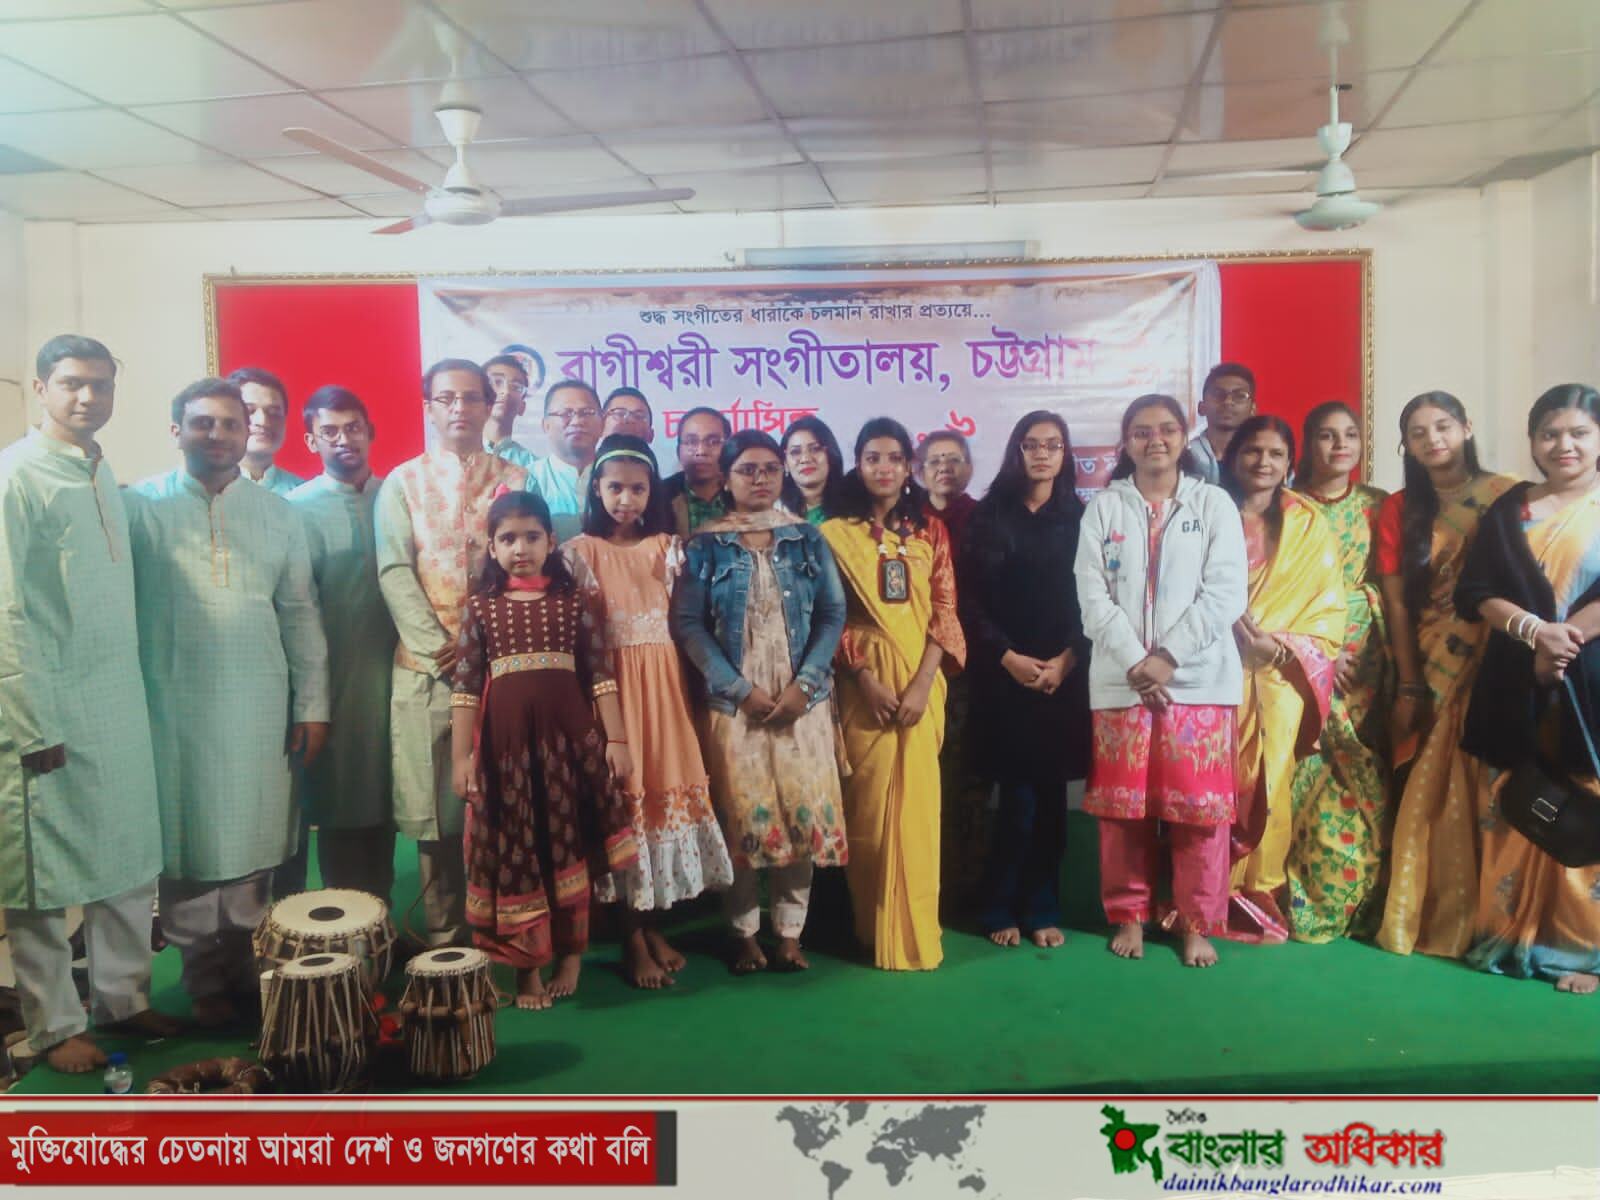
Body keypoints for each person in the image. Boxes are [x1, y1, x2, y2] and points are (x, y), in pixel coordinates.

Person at [0, 335, 179, 1074]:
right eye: (72, 383)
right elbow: (7, 610)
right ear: (41, 388)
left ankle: (123, 999)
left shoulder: (102, 472)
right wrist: (29, 719)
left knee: (129, 855)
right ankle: (52, 1025)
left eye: (101, 385)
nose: (87, 397)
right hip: (46, 708)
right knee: (44, 876)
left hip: (116, 700)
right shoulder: (16, 476)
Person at [127, 377, 329, 1026]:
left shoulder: (280, 514)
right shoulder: (140, 509)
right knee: (186, 846)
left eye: (229, 424)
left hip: (258, 706)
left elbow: (300, 614)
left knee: (253, 843)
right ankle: (202, 982)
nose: (217, 435)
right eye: (202, 423)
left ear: (247, 433)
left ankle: (250, 972)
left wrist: (312, 705)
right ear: (176, 431)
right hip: (170, 708)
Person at [1075, 394, 1247, 968]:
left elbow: (1226, 592)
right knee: (1122, 813)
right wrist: (1136, 661)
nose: (1156, 440)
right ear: (1126, 443)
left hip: (1198, 682)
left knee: (1200, 815)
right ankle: (1129, 916)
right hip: (1122, 683)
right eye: (1142, 431)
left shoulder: (1214, 504)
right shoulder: (1103, 508)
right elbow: (1092, 595)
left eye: (1167, 429)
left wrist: (1168, 657)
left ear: (1182, 436)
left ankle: (1198, 923)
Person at [450, 491, 638, 1009]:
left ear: (551, 542)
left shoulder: (574, 603)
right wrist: (461, 759)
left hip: (569, 749)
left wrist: (617, 740)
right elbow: (465, 688)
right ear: (491, 547)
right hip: (505, 754)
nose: (521, 548)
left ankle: (571, 955)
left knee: (568, 843)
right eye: (508, 539)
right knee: (518, 851)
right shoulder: (481, 608)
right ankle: (526, 969)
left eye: (532, 537)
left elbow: (600, 677)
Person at [672, 430, 848, 973]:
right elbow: (688, 624)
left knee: (801, 817)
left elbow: (832, 614)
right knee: (744, 819)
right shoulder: (705, 544)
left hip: (802, 703)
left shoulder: (807, 538)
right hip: (736, 705)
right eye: (747, 470)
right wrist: (739, 689)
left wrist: (806, 685)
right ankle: (744, 933)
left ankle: (790, 934)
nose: (761, 479)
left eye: (771, 468)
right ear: (726, 478)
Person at [565, 435, 733, 989]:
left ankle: (655, 925)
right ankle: (632, 938)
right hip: (614, 700)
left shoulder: (668, 548)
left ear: (651, 492)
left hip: (665, 695)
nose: (626, 499)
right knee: (626, 809)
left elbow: (687, 623)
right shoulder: (579, 553)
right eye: (615, 487)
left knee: (661, 802)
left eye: (637, 489)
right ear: (597, 488)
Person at [377, 359, 528, 948]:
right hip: (428, 670)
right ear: (429, 408)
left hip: (500, 669)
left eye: (471, 398)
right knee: (437, 812)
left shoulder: (515, 478)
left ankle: (505, 928)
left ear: (489, 406)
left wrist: (482, 646)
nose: (460, 408)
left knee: (504, 801)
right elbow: (394, 569)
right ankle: (445, 941)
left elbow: (527, 564)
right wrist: (440, 646)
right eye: (447, 398)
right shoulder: (403, 481)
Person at [1456, 384, 1600, 995]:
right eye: (1550, 434)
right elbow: (1476, 591)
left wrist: (1566, 639)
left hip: (1590, 683)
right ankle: (1509, 934)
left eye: (1579, 433)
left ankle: (1582, 953)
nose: (1564, 445)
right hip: (1514, 678)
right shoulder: (1510, 508)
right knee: (1516, 797)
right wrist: (1535, 633)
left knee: (1587, 805)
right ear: (1533, 442)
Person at [1374, 392, 1516, 959]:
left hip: (1498, 655)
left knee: (1490, 781)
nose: (1432, 439)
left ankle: (1494, 915)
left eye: (1443, 426)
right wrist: (1410, 681)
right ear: (1406, 446)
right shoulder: (1399, 508)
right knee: (1429, 783)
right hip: (1429, 658)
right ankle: (1428, 912)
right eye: (1418, 432)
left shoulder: (1507, 496)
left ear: (1466, 427)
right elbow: (1396, 603)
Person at [822, 418, 966, 971]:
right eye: (872, 458)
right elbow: (827, 614)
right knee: (868, 812)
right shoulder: (835, 533)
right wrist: (863, 677)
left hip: (919, 683)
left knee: (919, 813)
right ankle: (870, 928)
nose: (883, 468)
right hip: (863, 684)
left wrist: (925, 681)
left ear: (910, 467)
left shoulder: (931, 531)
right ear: (857, 465)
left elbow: (945, 611)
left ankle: (916, 930)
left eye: (894, 458)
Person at [958, 411, 1091, 949]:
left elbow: (1097, 600)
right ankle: (998, 907)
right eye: (1031, 445)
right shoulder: (988, 517)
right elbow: (967, 601)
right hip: (1004, 678)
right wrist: (1006, 657)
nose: (1041, 454)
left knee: (1051, 803)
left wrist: (1068, 660)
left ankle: (1042, 909)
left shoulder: (1083, 519)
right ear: (1017, 451)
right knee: (1014, 803)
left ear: (1065, 454)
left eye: (1052, 445)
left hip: (1062, 679)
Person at [1218, 416, 1342, 942]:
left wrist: (1279, 647)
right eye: (1252, 451)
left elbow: (1327, 608)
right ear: (1233, 457)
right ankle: (1202, 890)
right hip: (1211, 669)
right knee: (1211, 779)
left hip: (1277, 674)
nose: (1263, 462)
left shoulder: (1308, 524)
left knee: (1271, 782)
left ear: (1290, 462)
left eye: (1275, 453)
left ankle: (1259, 890)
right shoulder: (1205, 511)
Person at [1285, 402, 1394, 942]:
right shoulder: (1287, 505)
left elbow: (1393, 584)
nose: (1340, 445)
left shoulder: (1379, 505)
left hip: (1369, 655)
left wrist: (1360, 641)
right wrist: (1322, 652)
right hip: (1303, 655)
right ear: (1308, 443)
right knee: (1308, 768)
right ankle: (1303, 893)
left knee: (1365, 764)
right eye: (1327, 435)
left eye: (1349, 434)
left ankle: (1367, 901)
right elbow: (1276, 592)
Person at [285, 386, 398, 904]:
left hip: (398, 675)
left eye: (353, 427)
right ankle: (351, 929)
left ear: (370, 433)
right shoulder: (294, 510)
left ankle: (382, 926)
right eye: (329, 431)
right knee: (343, 805)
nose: (343, 439)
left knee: (392, 799)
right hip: (335, 681)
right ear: (312, 441)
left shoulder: (397, 497)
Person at [529, 378, 603, 543]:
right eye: (565, 413)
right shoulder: (528, 479)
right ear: (546, 425)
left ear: (602, 424)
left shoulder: (619, 476)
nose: (577, 421)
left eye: (587, 413)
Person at [226, 366, 305, 495]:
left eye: (273, 413)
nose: (263, 421)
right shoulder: (203, 492)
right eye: (249, 411)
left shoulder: (303, 494)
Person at [665, 407, 731, 537]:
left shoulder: (742, 493)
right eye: (691, 442)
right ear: (678, 451)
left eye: (713, 442)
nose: (701, 451)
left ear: (729, 448)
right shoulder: (659, 496)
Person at [1188, 363, 1257, 486]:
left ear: (1253, 409)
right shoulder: (1185, 456)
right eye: (1217, 394)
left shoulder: (1264, 457)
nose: (1228, 402)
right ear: (1201, 407)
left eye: (1240, 396)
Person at [917, 430, 978, 552]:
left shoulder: (986, 517)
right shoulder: (908, 518)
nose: (944, 468)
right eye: (934, 462)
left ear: (969, 469)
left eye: (954, 460)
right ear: (921, 474)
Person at [780, 415, 845, 525]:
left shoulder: (853, 511)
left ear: (830, 455)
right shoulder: (774, 512)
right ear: (785, 463)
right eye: (795, 452)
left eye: (815, 449)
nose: (805, 459)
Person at [483, 354, 538, 473]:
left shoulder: (533, 467)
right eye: (497, 382)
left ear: (522, 407)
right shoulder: (455, 457)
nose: (506, 391)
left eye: (516, 387)